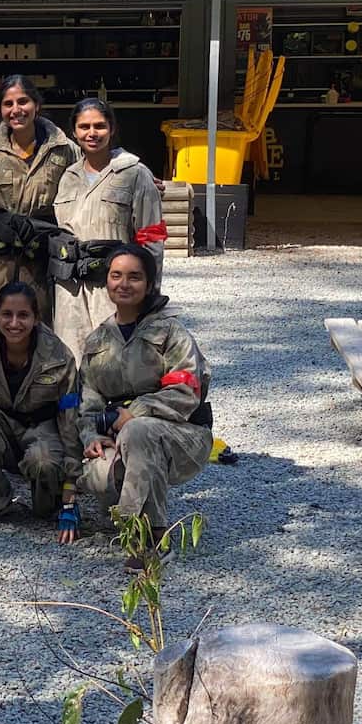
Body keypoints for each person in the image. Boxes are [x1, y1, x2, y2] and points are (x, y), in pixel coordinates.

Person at [78, 245, 212, 571]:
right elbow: (87, 401)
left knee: (139, 431)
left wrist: (136, 412)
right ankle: (129, 514)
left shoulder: (170, 332)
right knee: (100, 471)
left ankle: (151, 538)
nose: (124, 284)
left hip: (183, 434)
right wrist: (90, 436)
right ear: (107, 282)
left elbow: (187, 390)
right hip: (124, 436)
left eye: (134, 277)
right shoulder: (97, 341)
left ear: (150, 284)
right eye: (116, 275)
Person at [0, 282, 82, 543]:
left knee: (44, 470)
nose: (14, 323)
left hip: (43, 429)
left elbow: (70, 423)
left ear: (36, 317)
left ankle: (48, 499)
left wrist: (69, 496)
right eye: (7, 314)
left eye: (23, 315)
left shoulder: (59, 356)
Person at [0, 75, 77, 340]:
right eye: (8, 104)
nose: (16, 110)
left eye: (23, 101)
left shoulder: (63, 151)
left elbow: (94, 169)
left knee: (38, 336)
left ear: (36, 105)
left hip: (39, 268)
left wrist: (140, 177)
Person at [52, 98, 166, 364]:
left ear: (112, 129)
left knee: (115, 363)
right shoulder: (67, 177)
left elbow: (152, 237)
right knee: (72, 362)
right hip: (70, 291)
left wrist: (149, 293)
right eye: (84, 127)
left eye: (99, 126)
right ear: (74, 132)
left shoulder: (135, 174)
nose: (92, 133)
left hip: (113, 289)